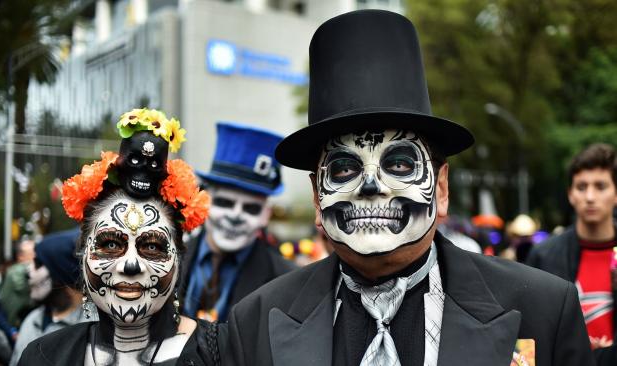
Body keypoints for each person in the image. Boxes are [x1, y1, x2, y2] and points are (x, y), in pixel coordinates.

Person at [226, 10, 593, 366]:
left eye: (399, 164)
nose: (370, 186)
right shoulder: (253, 325)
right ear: (317, 199)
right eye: (343, 168)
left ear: (442, 187)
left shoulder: (543, 311)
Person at [18, 108, 222, 365]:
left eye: (152, 246)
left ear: (179, 261)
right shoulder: (43, 357)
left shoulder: (220, 354)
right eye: (111, 244)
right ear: (82, 257)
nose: (130, 264)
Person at [180, 122, 296, 322]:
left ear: (265, 215)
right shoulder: (168, 260)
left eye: (251, 208)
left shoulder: (287, 280)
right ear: (204, 201)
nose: (235, 217)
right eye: (225, 203)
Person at [527, 143, 617, 350]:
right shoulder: (544, 256)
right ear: (570, 194)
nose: (590, 197)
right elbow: (525, 330)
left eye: (600, 186)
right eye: (581, 187)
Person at [10, 228, 99, 365]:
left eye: (38, 264)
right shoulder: (32, 320)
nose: (28, 272)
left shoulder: (96, 326)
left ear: (60, 275)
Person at [0, 239, 36, 327]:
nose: (36, 255)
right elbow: (23, 288)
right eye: (33, 253)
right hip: (15, 323)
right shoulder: (18, 270)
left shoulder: (15, 270)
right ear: (21, 256)